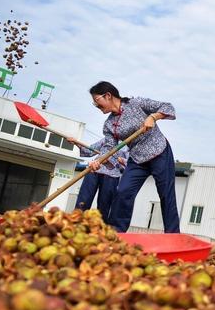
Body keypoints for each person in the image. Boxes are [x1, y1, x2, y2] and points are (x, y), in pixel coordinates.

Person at [88, 81, 180, 233]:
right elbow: (108, 148)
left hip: (159, 152)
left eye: (97, 101)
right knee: (123, 191)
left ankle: (173, 234)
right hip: (137, 160)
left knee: (166, 194)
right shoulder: (109, 124)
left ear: (108, 95)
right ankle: (116, 233)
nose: (97, 106)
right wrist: (98, 162)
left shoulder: (136, 103)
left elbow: (168, 107)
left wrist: (153, 117)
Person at [67, 136, 128, 224]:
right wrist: (76, 142)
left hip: (112, 177)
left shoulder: (130, 144)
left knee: (104, 207)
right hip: (93, 171)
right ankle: (76, 224)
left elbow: (132, 163)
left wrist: (120, 160)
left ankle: (100, 230)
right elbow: (90, 150)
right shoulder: (107, 139)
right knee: (83, 201)